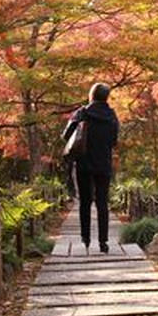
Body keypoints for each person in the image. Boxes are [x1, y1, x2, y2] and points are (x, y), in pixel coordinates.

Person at [62, 82, 119, 253]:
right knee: (102, 203)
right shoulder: (112, 116)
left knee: (85, 202)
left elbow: (66, 136)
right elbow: (114, 141)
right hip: (104, 163)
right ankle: (103, 242)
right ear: (106, 96)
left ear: (92, 95)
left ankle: (85, 239)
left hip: (83, 163)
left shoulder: (82, 113)